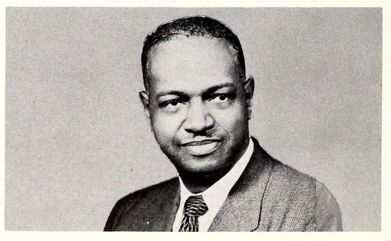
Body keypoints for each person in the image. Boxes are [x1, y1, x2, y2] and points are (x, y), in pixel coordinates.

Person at [104, 16, 342, 232]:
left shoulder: (306, 205)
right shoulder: (127, 216)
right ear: (148, 110)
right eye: (174, 102)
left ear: (247, 99)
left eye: (219, 97)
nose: (199, 123)